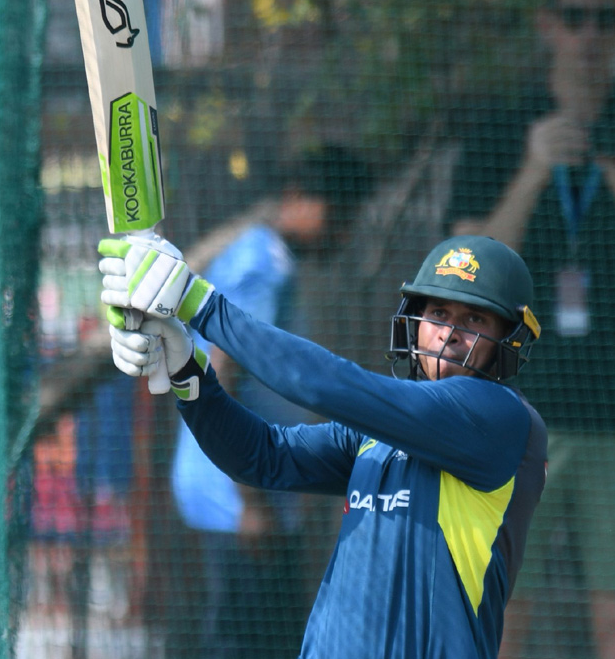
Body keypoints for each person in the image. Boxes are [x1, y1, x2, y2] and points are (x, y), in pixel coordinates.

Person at [98, 232, 548, 658]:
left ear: (508, 339)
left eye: (474, 319)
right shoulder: (380, 432)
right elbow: (261, 457)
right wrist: (188, 373)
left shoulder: (501, 418)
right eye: (439, 314)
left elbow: (324, 384)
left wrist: (200, 304)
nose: (450, 333)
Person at [447, 0, 615, 659]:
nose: (590, 34)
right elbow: (464, 282)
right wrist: (532, 173)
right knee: (495, 620)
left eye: (606, 18)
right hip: (506, 412)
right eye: (574, 16)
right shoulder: (500, 131)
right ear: (547, 25)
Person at [167, 144, 370, 659]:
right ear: (297, 197)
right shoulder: (262, 264)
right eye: (339, 214)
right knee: (244, 642)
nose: (344, 233)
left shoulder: (267, 259)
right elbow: (222, 368)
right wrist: (250, 499)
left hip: (255, 490)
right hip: (239, 496)